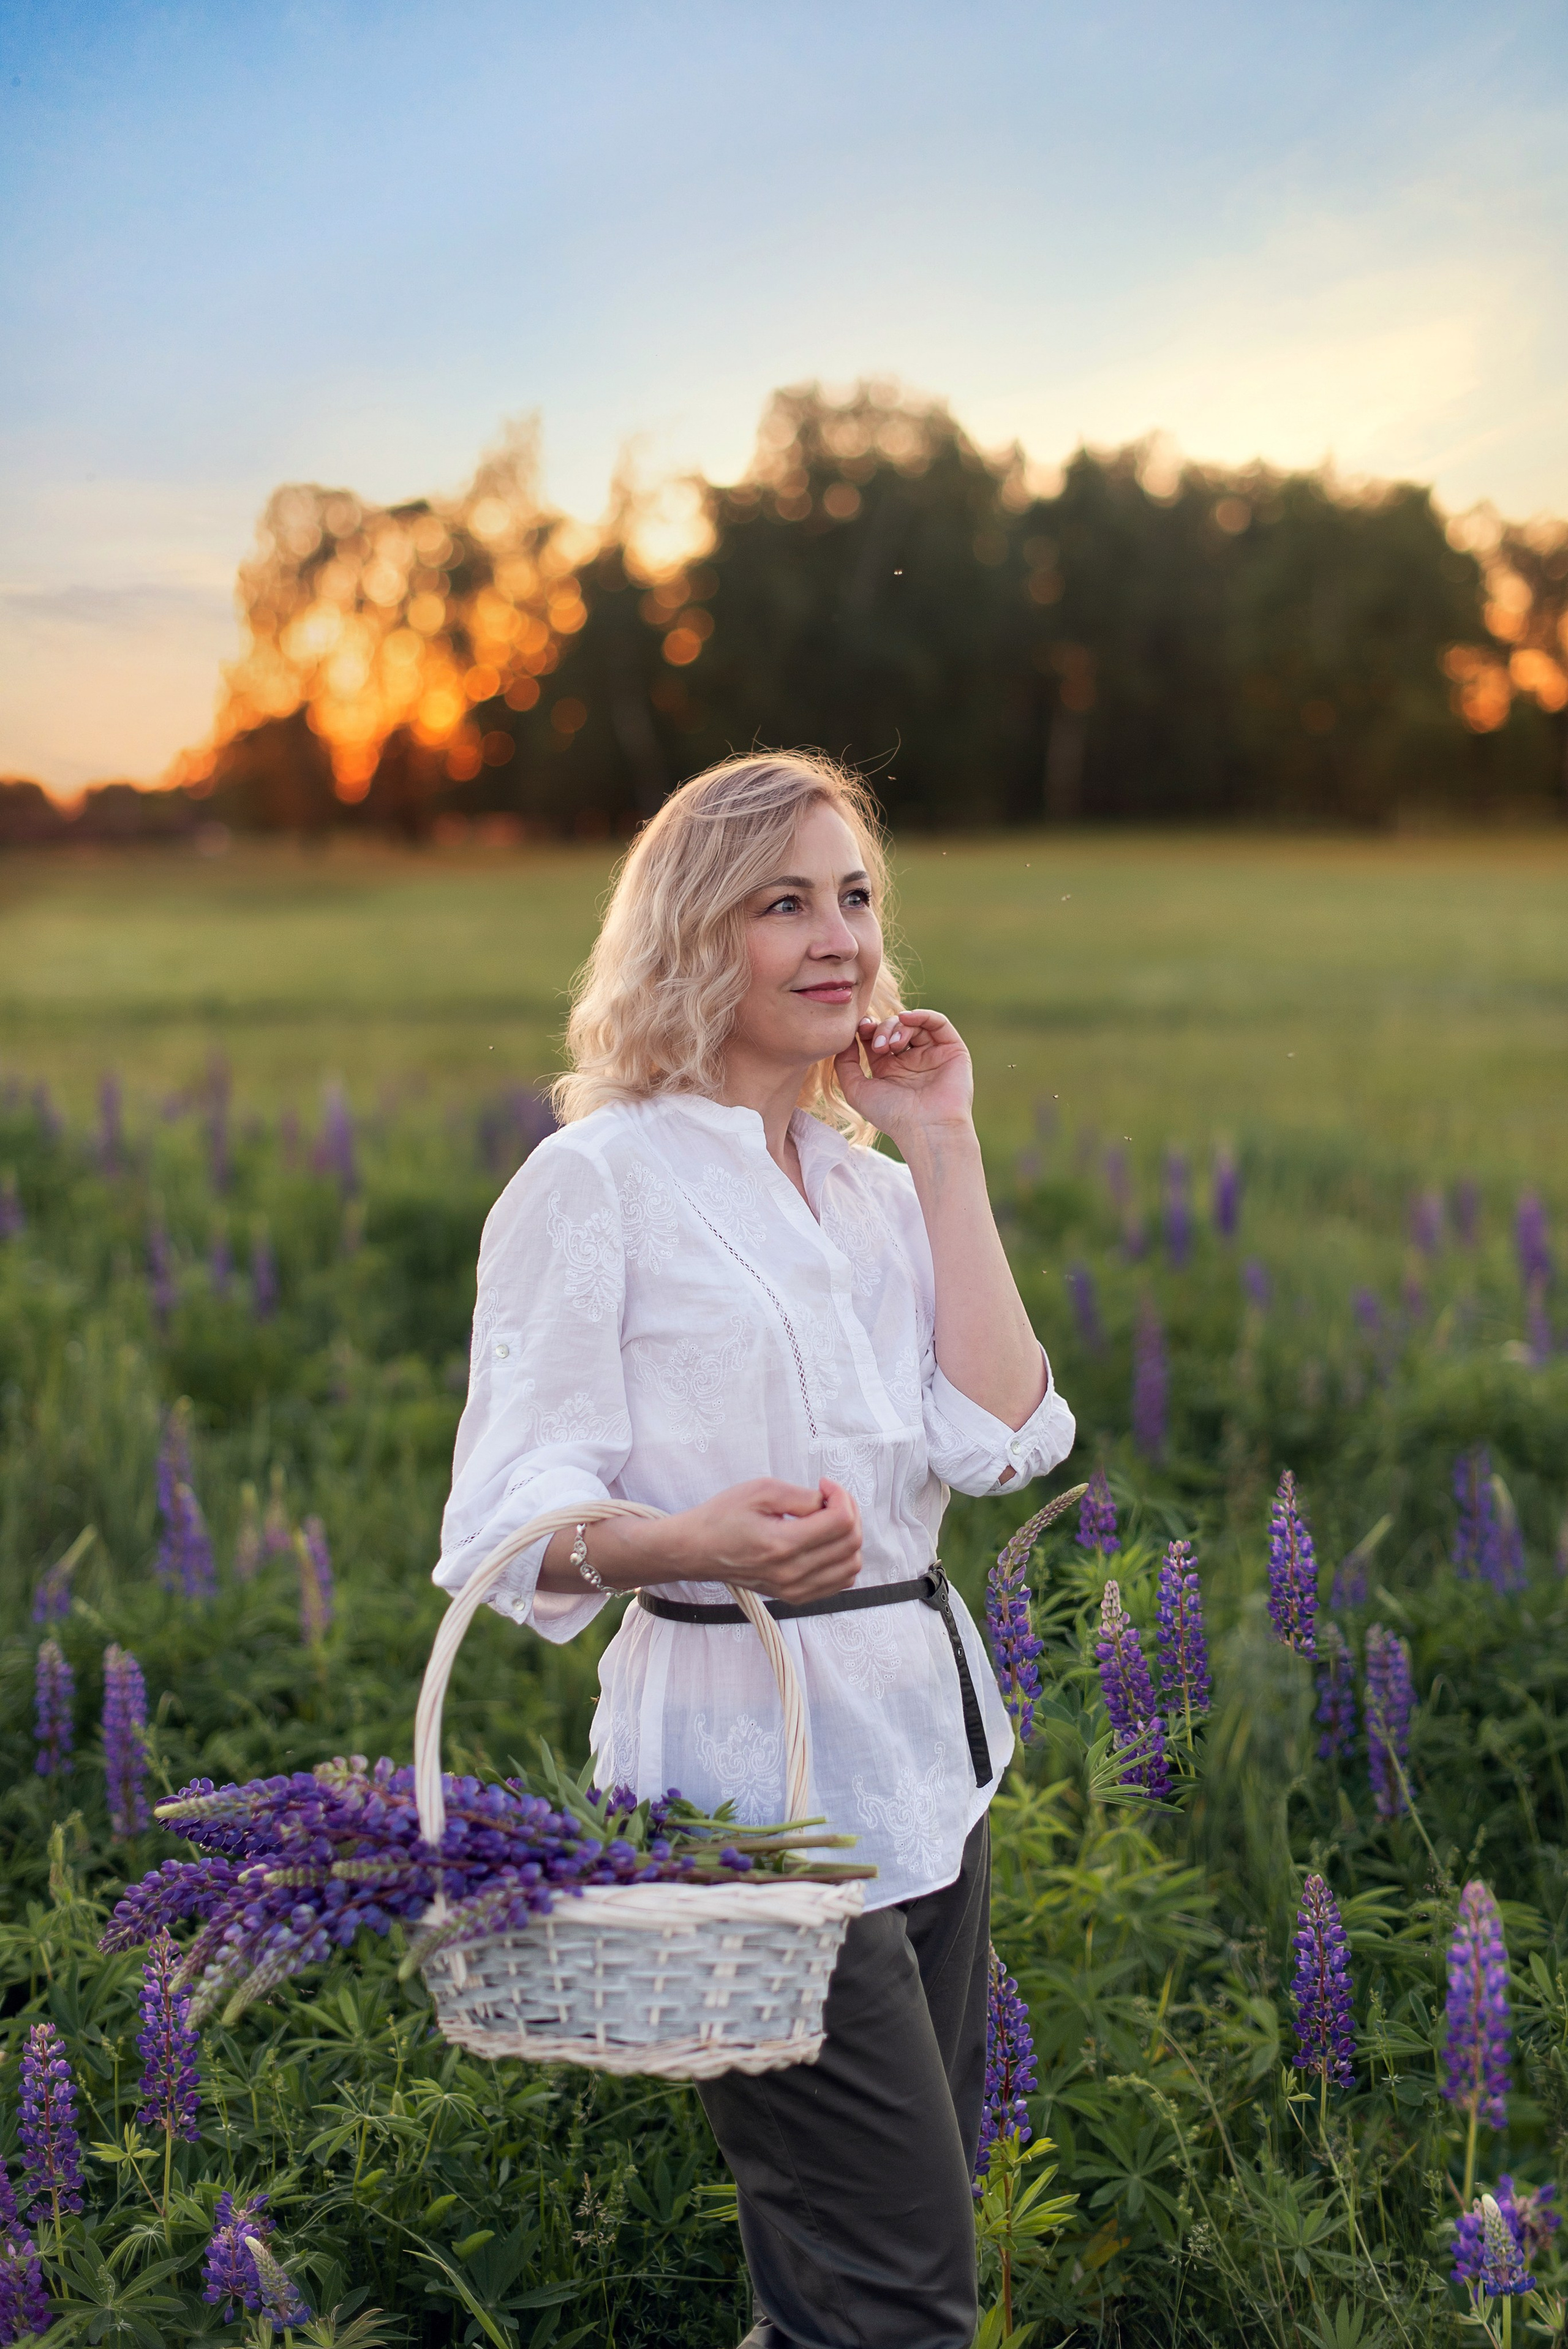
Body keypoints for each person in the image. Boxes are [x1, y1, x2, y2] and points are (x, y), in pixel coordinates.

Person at [435, 750, 1076, 2349]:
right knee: (897, 2291)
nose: (836, 934)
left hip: (926, 1761)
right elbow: (508, 1516)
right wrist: (684, 1540)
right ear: (689, 933)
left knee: (837, 2286)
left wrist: (941, 1142)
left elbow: (1000, 1436)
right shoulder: (597, 1179)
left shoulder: (868, 1190)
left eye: (855, 896)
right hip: (740, 1785)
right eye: (782, 900)